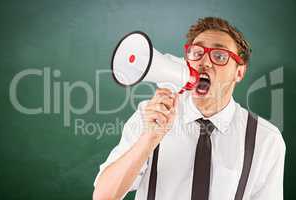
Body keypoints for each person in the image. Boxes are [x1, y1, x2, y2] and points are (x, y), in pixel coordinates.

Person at [93, 17, 286, 200]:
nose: (205, 62)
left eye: (219, 55)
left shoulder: (266, 139)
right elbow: (103, 196)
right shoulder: (150, 115)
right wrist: (148, 139)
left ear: (239, 72)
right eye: (197, 52)